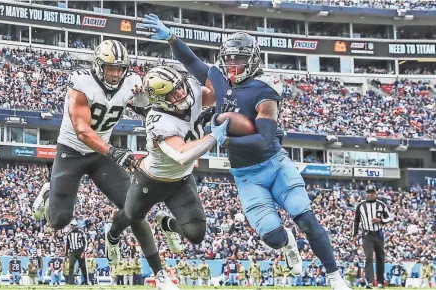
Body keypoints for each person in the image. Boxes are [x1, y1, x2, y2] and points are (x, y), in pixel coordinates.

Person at [141, 13, 352, 290]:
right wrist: (171, 38)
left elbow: (264, 140)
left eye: (238, 59)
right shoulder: (219, 78)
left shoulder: (265, 89)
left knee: (306, 218)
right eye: (228, 58)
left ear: (252, 59)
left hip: (274, 164)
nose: (232, 64)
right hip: (246, 174)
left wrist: (222, 139)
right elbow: (192, 62)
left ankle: (335, 278)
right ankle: (288, 243)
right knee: (273, 237)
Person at [31, 39, 159, 271]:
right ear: (99, 66)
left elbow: (146, 110)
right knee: (59, 220)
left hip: (100, 154)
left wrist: (143, 101)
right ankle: (48, 193)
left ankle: (160, 273)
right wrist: (113, 151)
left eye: (119, 68)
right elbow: (82, 130)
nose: (115, 73)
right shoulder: (81, 82)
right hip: (72, 151)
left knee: (134, 206)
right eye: (110, 67)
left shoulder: (131, 82)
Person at [104, 65, 226, 288]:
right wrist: (213, 136)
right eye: (171, 93)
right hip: (151, 179)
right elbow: (182, 154)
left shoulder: (189, 88)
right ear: (159, 100)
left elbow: (214, 96)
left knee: (196, 233)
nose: (179, 94)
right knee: (130, 216)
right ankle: (112, 236)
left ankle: (168, 224)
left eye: (178, 87)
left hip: (182, 180)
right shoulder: (158, 120)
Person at [354, 184, 393, 289]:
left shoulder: (381, 204)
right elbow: (356, 220)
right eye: (369, 193)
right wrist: (354, 234)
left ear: (376, 193)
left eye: (372, 192)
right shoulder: (361, 205)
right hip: (367, 234)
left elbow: (389, 217)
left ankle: (380, 282)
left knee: (380, 257)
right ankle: (369, 282)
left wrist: (380, 220)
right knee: (369, 258)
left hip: (378, 234)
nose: (370, 194)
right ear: (366, 194)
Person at [65, 220, 88, 285]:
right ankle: (70, 282)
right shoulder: (69, 234)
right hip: (73, 251)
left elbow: (85, 242)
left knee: (83, 266)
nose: (73, 227)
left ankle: (86, 281)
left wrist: (83, 252)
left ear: (76, 225)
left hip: (80, 251)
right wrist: (66, 253)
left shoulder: (81, 232)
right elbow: (67, 244)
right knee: (71, 265)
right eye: (72, 225)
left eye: (74, 225)